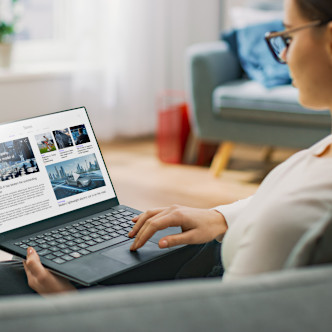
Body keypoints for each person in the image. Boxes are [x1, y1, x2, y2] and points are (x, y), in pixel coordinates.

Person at [2, 0, 332, 295]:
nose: (283, 54)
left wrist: (70, 306)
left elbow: (221, 320)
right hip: (216, 253)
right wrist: (219, 217)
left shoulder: (313, 204)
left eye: (288, 36)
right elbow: (279, 204)